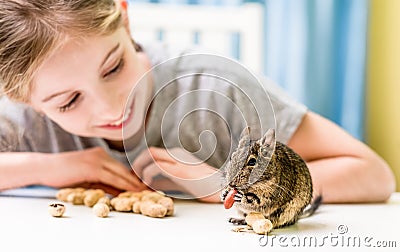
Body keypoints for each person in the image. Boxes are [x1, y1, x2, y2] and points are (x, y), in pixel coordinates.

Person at [0, 0, 395, 203]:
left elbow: (372, 173)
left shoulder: (215, 90)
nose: (110, 108)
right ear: (24, 99)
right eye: (68, 102)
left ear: (124, 16)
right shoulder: (23, 116)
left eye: (114, 67)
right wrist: (51, 166)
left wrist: (231, 187)